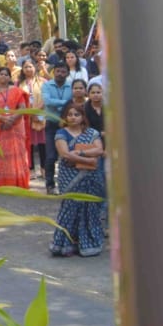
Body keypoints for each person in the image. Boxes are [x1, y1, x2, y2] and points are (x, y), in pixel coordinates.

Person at [48, 103, 106, 257]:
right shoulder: (61, 133)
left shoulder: (92, 132)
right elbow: (65, 154)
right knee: (70, 207)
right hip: (70, 176)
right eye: (69, 114)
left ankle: (88, 243)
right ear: (65, 117)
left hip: (91, 178)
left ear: (82, 117)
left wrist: (79, 152)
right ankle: (64, 244)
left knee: (90, 208)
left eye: (76, 115)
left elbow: (99, 150)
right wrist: (89, 160)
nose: (72, 117)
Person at [0, 67, 29, 188]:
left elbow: (23, 108)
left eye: (6, 74)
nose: (3, 76)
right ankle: (0, 181)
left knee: (16, 152)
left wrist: (12, 119)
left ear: (9, 78)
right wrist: (3, 119)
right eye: (1, 74)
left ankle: (17, 180)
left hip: (15, 125)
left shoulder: (17, 91)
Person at [41, 63, 74, 194]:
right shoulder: (47, 85)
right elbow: (48, 102)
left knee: (68, 156)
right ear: (54, 72)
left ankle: (67, 184)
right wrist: (66, 104)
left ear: (67, 73)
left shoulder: (71, 85)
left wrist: (61, 104)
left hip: (69, 125)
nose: (60, 74)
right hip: (52, 123)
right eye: (58, 71)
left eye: (63, 72)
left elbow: (74, 102)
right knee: (50, 156)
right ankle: (50, 185)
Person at [17, 59, 47, 178]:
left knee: (42, 144)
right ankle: (31, 168)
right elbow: (17, 100)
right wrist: (29, 112)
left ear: (35, 68)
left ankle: (44, 168)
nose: (28, 69)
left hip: (40, 114)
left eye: (30, 66)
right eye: (26, 67)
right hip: (25, 116)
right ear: (22, 70)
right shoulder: (18, 83)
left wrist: (36, 111)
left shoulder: (43, 81)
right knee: (28, 143)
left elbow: (46, 97)